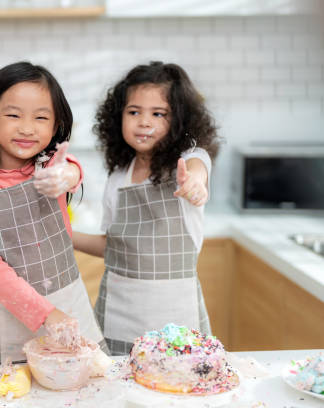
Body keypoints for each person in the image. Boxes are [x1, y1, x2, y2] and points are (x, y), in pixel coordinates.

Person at [0, 61, 107, 364]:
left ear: (55, 127)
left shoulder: (51, 169)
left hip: (69, 307)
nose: (27, 128)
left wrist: (65, 177)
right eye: (13, 115)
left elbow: (70, 170)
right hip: (11, 318)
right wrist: (47, 314)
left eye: (40, 118)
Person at [73, 61, 221, 355]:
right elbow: (111, 245)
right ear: (118, 118)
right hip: (118, 315)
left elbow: (197, 169)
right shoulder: (118, 177)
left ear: (179, 120)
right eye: (134, 112)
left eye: (158, 113)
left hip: (176, 322)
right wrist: (65, 235)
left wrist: (194, 183)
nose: (144, 121)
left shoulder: (189, 162)